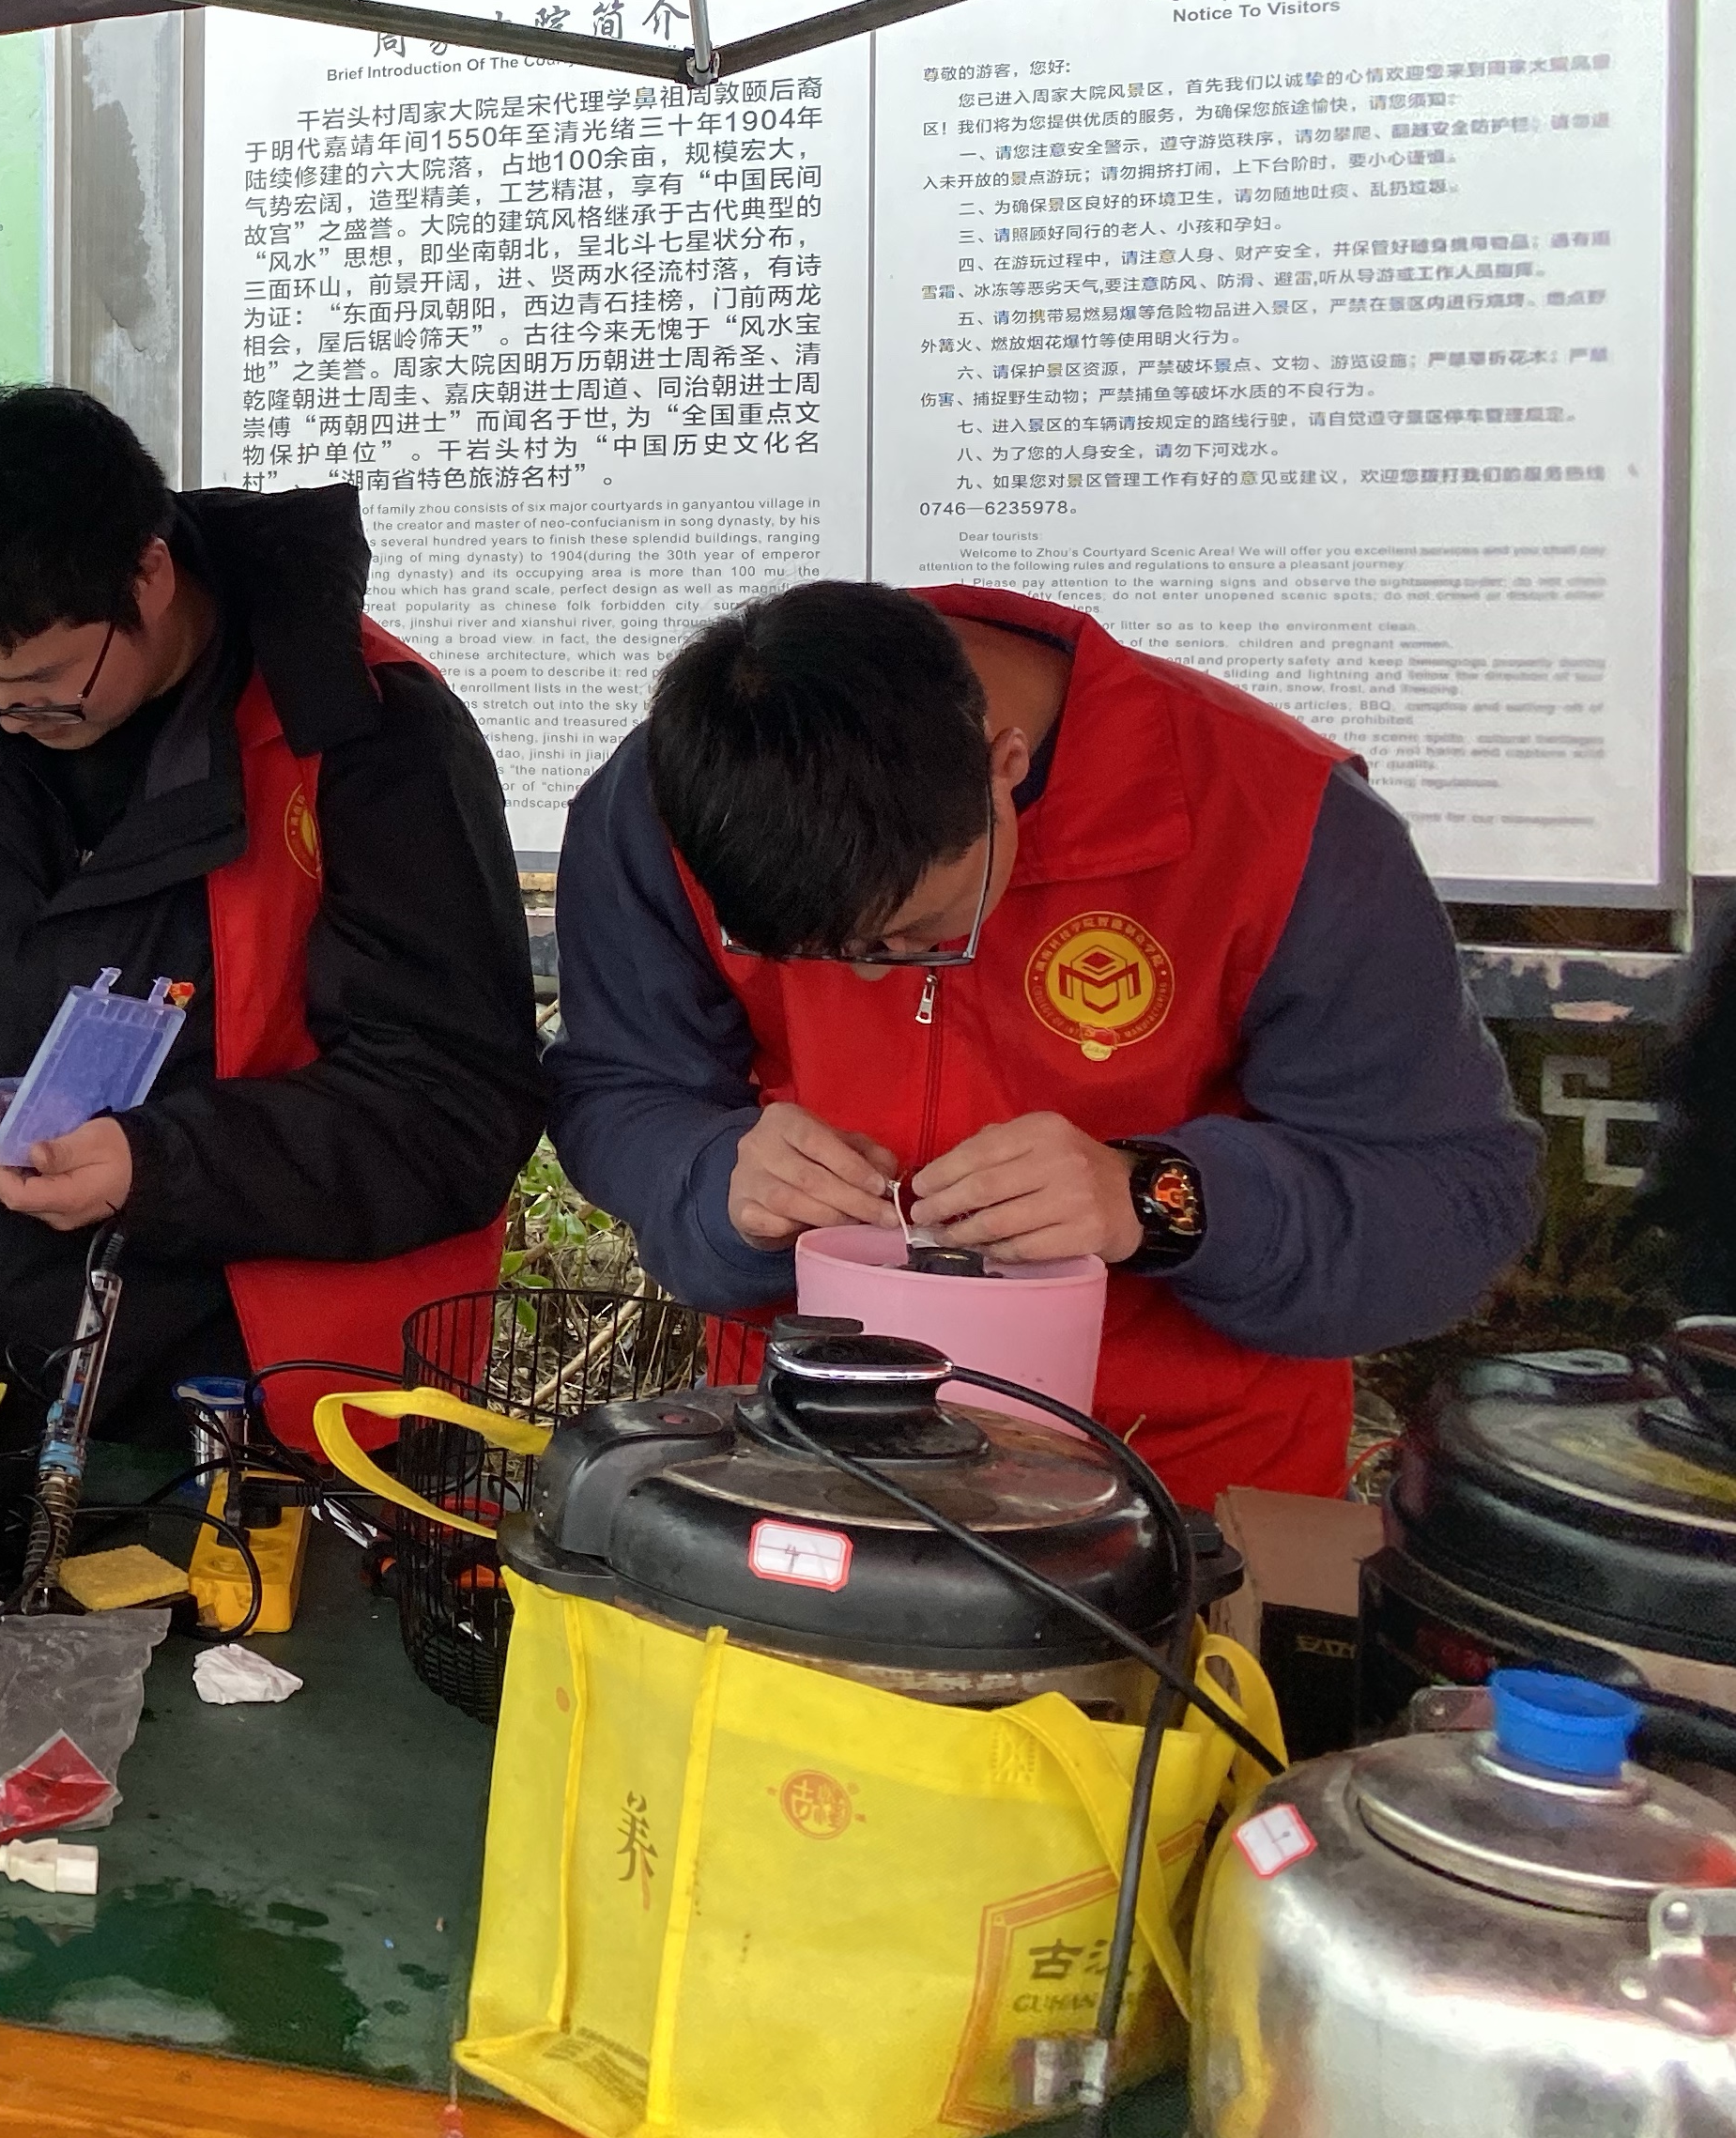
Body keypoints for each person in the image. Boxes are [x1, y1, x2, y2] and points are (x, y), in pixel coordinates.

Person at [548, 577, 1541, 1506]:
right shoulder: (672, 799)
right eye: (810, 956)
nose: (866, 982)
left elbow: (1454, 1201)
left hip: (1184, 1483)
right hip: (806, 1453)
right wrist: (713, 1180)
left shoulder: (1282, 820)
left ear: (1005, 767)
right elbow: (621, 1087)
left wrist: (1155, 1198)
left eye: (914, 936)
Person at [0, 386, 546, 1570]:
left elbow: (454, 1103)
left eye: (43, 684)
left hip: (270, 1415)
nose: (10, 719)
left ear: (147, 575)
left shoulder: (367, 738)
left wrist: (160, 1164)